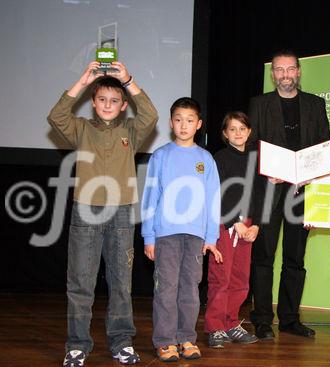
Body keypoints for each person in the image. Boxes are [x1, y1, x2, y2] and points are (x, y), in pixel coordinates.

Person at [48, 61, 159, 367]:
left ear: (123, 106)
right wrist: (84, 81)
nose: (107, 105)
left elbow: (150, 114)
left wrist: (128, 80)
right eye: (101, 100)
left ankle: (121, 342)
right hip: (85, 211)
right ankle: (77, 345)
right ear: (93, 103)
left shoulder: (131, 131)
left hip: (121, 213)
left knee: (121, 281)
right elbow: (57, 116)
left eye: (114, 101)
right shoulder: (81, 129)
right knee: (81, 281)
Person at [248, 50, 330, 339]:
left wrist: (314, 175)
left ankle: (289, 319)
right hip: (269, 189)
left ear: (298, 72)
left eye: (290, 69)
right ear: (273, 75)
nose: (285, 75)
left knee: (295, 258)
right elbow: (250, 147)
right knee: (264, 257)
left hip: (302, 191)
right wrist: (264, 168)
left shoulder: (315, 104)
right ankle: (261, 319)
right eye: (279, 70)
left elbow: (324, 146)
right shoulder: (258, 104)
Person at [141, 97, 223, 362]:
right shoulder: (161, 156)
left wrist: (211, 237)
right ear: (170, 123)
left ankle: (186, 337)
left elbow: (213, 199)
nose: (183, 125)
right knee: (166, 288)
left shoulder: (205, 159)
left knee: (189, 288)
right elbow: (150, 196)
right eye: (178, 120)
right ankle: (165, 341)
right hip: (165, 234)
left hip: (196, 236)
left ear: (198, 124)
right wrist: (149, 235)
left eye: (189, 120)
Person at [204, 111, 262, 348]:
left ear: (249, 132)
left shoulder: (256, 159)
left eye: (242, 128)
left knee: (240, 277)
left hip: (247, 226)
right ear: (225, 134)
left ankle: (231, 322)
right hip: (225, 223)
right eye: (232, 129)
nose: (238, 133)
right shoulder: (220, 158)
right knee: (221, 276)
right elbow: (217, 193)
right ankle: (215, 326)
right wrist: (232, 222)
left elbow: (260, 194)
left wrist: (256, 224)